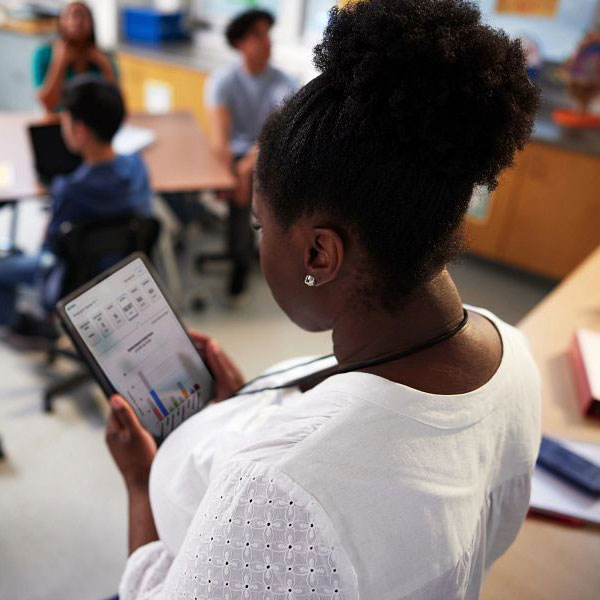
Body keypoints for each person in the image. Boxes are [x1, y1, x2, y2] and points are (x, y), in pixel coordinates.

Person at [107, 1, 542, 598]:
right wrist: (245, 409)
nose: (258, 245)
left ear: (319, 255)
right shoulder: (511, 352)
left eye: (261, 227)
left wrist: (139, 485)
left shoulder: (280, 493)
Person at [0, 76, 151, 335]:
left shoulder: (70, 189)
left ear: (79, 131)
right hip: (123, 275)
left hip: (72, 281)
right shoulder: (136, 166)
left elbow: (50, 250)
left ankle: (20, 326)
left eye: (65, 120)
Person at [205, 8, 298, 299]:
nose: (267, 41)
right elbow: (220, 141)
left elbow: (274, 138)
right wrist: (229, 176)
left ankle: (247, 258)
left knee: (252, 186)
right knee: (238, 193)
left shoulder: (285, 83)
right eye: (258, 35)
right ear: (239, 44)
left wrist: (244, 171)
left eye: (268, 34)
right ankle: (240, 258)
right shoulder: (222, 81)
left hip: (270, 155)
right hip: (233, 158)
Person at [33, 1, 117, 113]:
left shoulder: (104, 56)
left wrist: (104, 65)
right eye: (71, 15)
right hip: (57, 120)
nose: (76, 21)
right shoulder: (44, 54)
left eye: (82, 16)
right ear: (61, 21)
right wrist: (59, 62)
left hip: (95, 123)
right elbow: (47, 104)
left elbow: (117, 104)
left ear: (92, 23)